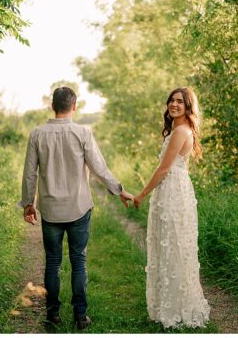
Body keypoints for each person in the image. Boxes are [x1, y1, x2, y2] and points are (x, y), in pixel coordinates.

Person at [20, 86, 133, 330]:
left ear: (52, 106)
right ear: (74, 106)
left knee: (52, 262)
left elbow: (30, 173)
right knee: (78, 261)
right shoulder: (83, 132)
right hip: (79, 207)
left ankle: (53, 315)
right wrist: (119, 190)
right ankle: (81, 316)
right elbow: (98, 168)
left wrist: (29, 203)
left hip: (50, 209)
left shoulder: (37, 134)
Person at [132, 87, 210, 329]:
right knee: (173, 244)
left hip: (172, 190)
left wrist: (142, 194)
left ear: (188, 107)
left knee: (173, 245)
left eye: (180, 101)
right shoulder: (180, 130)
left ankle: (175, 307)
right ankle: (172, 303)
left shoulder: (180, 132)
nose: (174, 104)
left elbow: (164, 169)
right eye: (172, 100)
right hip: (176, 189)